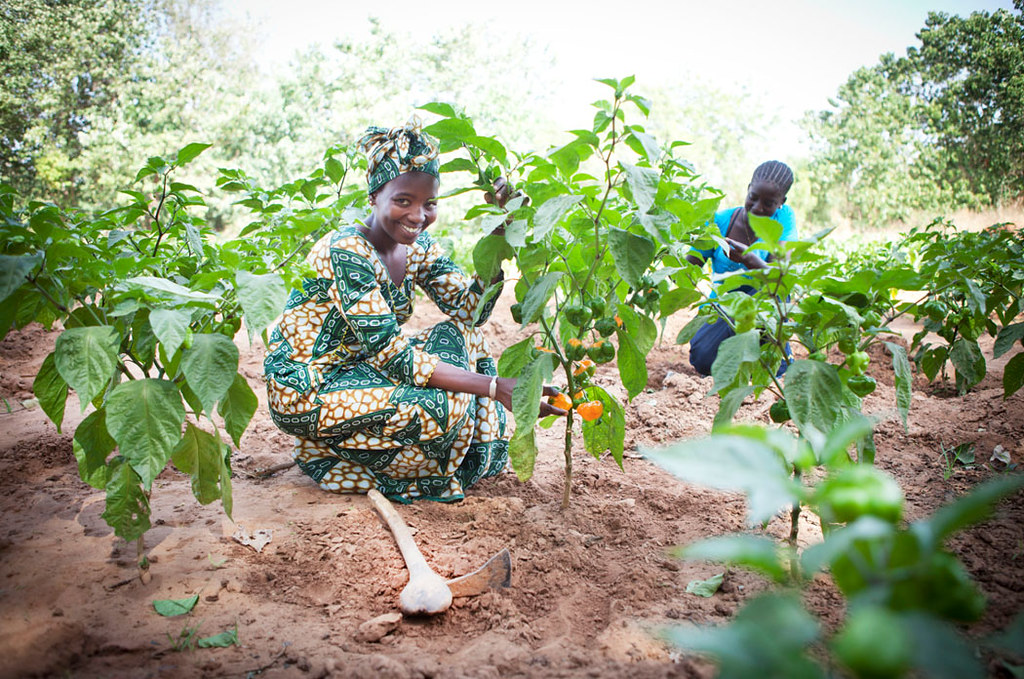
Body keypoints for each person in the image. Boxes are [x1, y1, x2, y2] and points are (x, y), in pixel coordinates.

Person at [263, 116, 564, 503]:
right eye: (403, 201)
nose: (418, 216)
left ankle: (427, 456)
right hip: (309, 387)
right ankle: (326, 454)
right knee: (440, 407)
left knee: (466, 338)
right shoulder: (344, 252)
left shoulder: (417, 248)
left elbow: (469, 311)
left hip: (363, 372)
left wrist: (502, 230)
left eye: (429, 203)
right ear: (374, 197)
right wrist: (495, 388)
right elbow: (394, 355)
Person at [685, 160, 796, 377]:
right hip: (724, 307)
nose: (758, 208)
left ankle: (773, 355)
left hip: (762, 303)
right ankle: (745, 356)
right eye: (753, 198)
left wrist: (749, 259)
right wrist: (688, 235)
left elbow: (779, 277)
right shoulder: (720, 221)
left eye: (768, 203)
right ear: (748, 189)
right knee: (702, 358)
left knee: (778, 291)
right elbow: (690, 265)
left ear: (781, 202)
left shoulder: (784, 219)